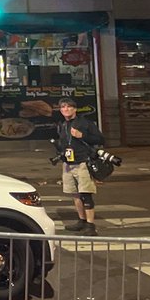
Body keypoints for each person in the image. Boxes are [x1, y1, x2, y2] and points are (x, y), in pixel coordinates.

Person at [55, 96, 104, 236]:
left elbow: (100, 139)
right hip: (68, 163)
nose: (66, 109)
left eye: (69, 106)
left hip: (83, 162)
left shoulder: (85, 123)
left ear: (75, 109)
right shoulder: (63, 125)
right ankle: (81, 220)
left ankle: (90, 225)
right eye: (63, 107)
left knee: (85, 194)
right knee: (75, 194)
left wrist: (82, 135)